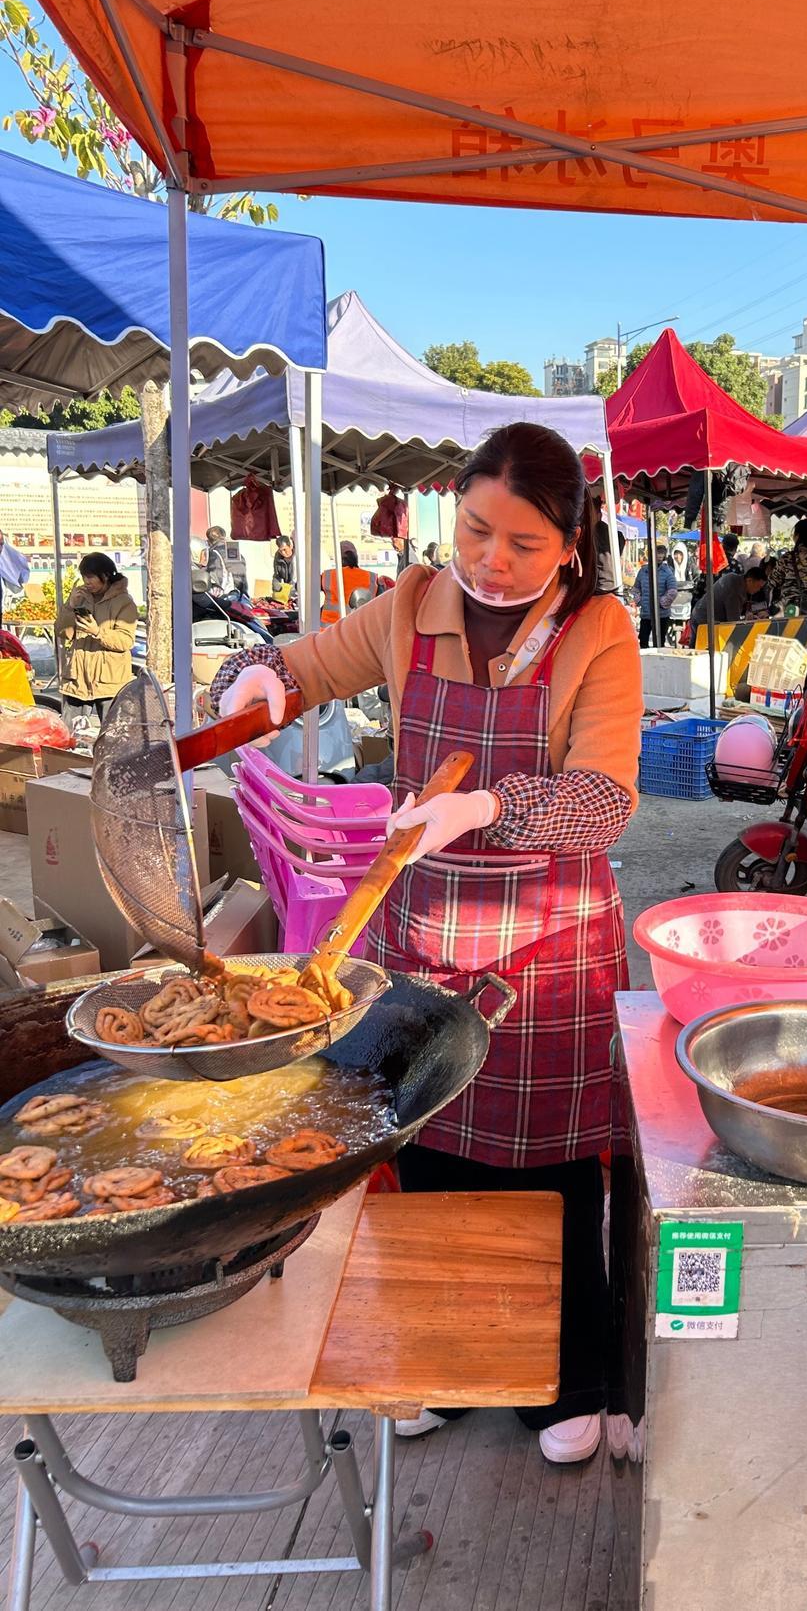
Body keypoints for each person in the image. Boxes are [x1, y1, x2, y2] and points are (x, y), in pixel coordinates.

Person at [211, 422, 642, 1466]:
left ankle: (563, 1382)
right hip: (425, 924)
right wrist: (251, 680)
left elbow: (604, 801)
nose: (493, 558)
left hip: (546, 946)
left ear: (569, 544)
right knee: (435, 1147)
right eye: (478, 530)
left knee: (551, 1178)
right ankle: (444, 1362)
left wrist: (486, 802)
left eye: (523, 543)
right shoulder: (409, 605)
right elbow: (296, 662)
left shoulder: (600, 631)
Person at [55, 552, 138, 723]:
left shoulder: (124, 602)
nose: (87, 582)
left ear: (106, 575)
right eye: (84, 577)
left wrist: (98, 632)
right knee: (70, 736)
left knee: (110, 737)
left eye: (91, 577)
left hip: (108, 682)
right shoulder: (81, 598)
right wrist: (70, 606)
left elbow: (125, 641)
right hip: (76, 679)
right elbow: (63, 632)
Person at [689, 563, 769, 629]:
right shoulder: (735, 588)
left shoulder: (734, 578)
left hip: (701, 616)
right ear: (749, 580)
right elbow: (733, 622)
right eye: (758, 586)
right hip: (703, 620)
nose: (758, 590)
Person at [634, 543, 677, 648]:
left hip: (662, 615)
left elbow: (672, 591)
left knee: (659, 644)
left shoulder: (667, 572)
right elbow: (635, 588)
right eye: (657, 555)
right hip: (646, 614)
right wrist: (640, 601)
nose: (659, 558)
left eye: (661, 555)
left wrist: (662, 603)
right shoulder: (643, 571)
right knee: (643, 641)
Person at [320, 541, 375, 623]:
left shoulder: (328, 575)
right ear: (356, 557)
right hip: (358, 629)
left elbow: (306, 586)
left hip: (329, 631)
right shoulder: (371, 577)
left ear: (338, 558)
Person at [203, 526, 248, 598]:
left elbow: (215, 578)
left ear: (209, 540)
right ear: (223, 535)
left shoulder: (214, 552)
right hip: (238, 593)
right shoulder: (233, 548)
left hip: (226, 596)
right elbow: (240, 573)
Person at [271, 535, 295, 600]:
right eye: (280, 550)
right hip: (287, 594)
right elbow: (277, 574)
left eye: (284, 549)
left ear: (290, 546)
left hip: (300, 592)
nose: (283, 553)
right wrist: (276, 585)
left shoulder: (297, 556)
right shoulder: (278, 557)